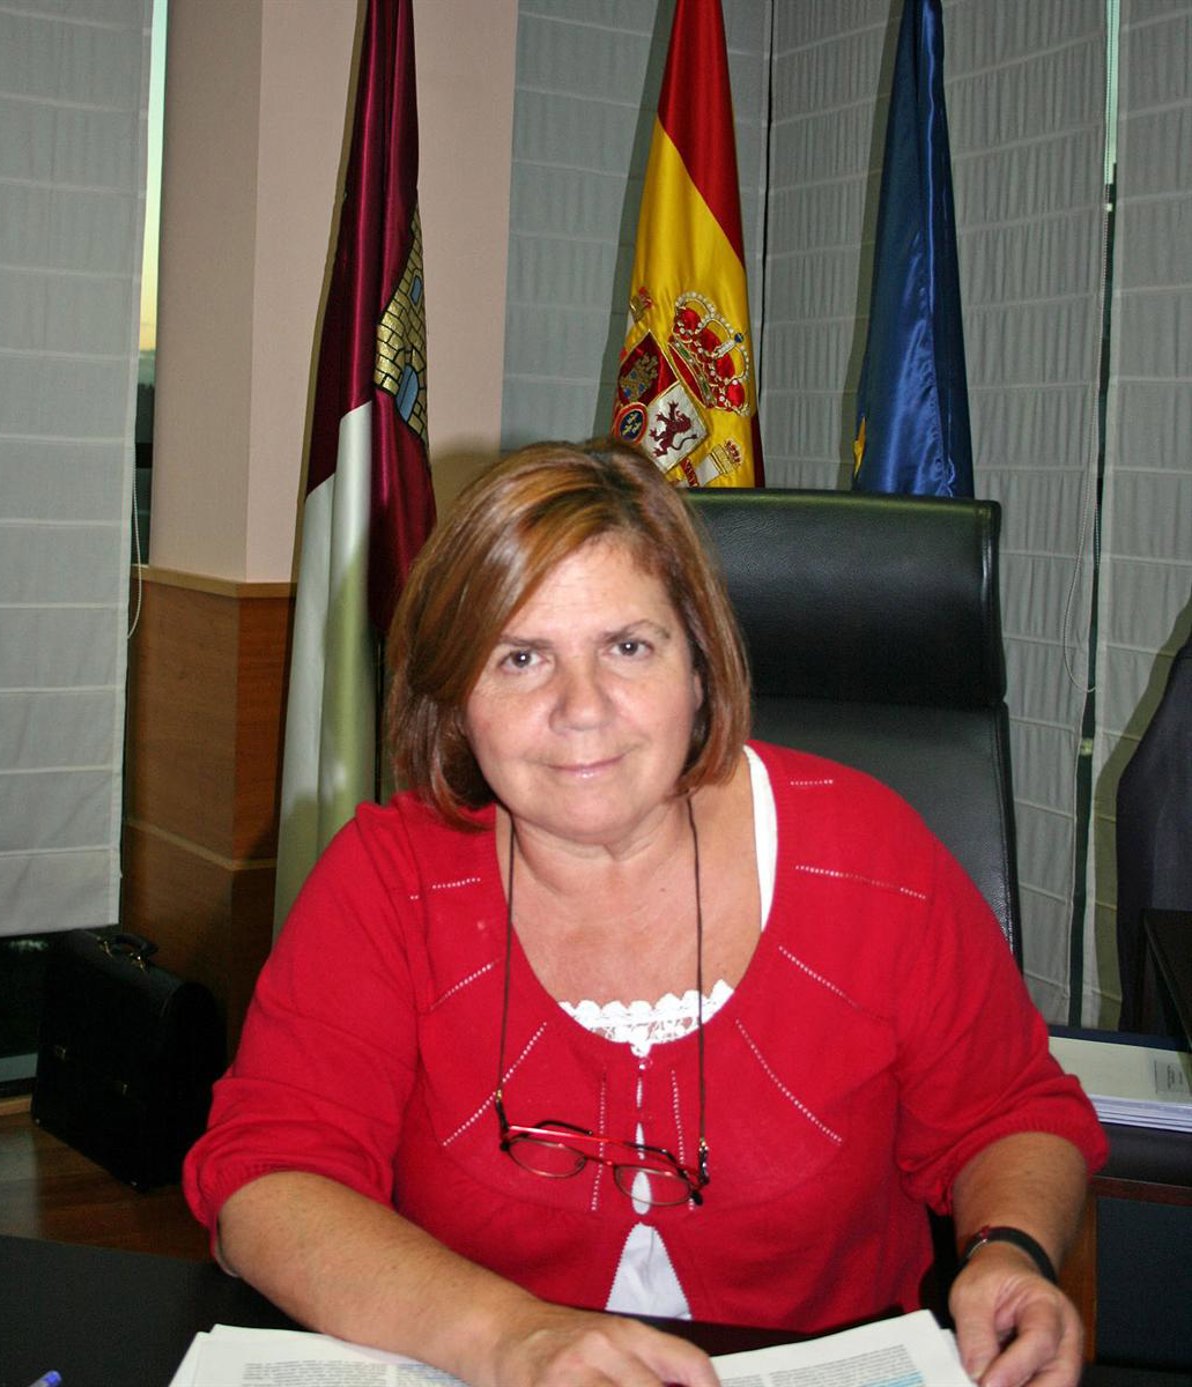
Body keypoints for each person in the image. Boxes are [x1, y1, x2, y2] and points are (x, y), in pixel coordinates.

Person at [184, 440, 1107, 1387]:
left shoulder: (870, 856)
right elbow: (268, 1180)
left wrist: (1009, 1250)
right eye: (521, 657)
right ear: (456, 698)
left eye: (628, 646)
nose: (581, 708)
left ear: (699, 666)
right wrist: (512, 1338)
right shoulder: (390, 881)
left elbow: (1009, 1113)